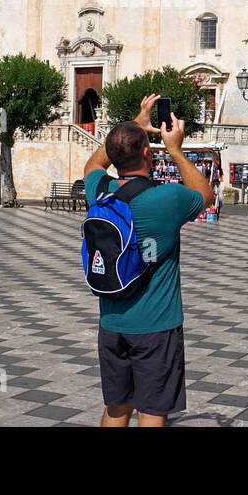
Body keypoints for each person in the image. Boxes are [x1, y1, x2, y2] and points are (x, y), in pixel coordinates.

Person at [83, 94, 214, 427]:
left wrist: (133, 126)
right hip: (156, 326)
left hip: (111, 324)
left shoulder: (100, 190)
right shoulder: (166, 197)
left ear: (114, 157)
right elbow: (205, 195)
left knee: (117, 408)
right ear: (146, 152)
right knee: (153, 411)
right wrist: (174, 148)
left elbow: (93, 166)